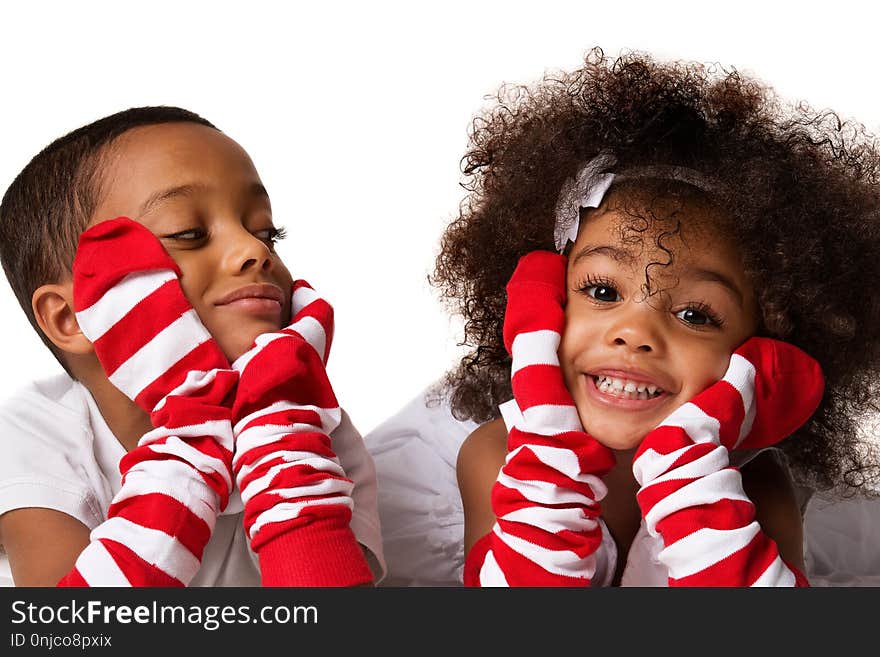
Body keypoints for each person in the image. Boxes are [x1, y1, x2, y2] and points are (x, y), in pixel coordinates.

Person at [366, 48, 880, 586]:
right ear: (544, 306)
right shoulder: (496, 456)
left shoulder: (756, 484)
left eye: (695, 314)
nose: (634, 333)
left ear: (760, 354)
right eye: (603, 290)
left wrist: (692, 490)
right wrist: (547, 449)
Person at [0, 106, 385, 586]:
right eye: (189, 233)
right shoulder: (35, 434)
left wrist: (279, 438)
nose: (255, 251)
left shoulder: (313, 421)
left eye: (267, 232)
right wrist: (191, 437)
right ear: (71, 317)